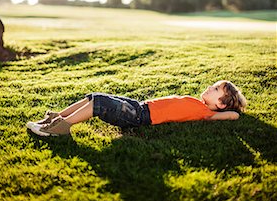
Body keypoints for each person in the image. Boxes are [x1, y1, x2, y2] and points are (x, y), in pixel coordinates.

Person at [26, 80, 247, 137]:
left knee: (100, 105)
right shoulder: (198, 103)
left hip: (140, 116)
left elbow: (232, 115)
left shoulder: (205, 112)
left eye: (216, 89)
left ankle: (61, 128)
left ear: (221, 103)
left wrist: (230, 110)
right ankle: (57, 117)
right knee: (96, 96)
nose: (210, 87)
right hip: (139, 106)